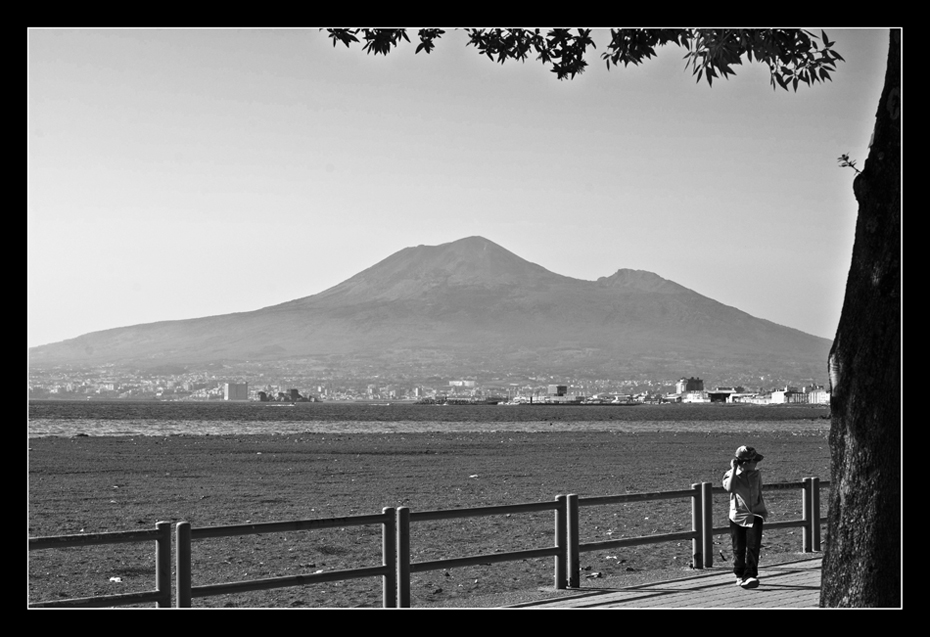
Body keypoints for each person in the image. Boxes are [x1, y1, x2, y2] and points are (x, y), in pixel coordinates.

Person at [722, 445, 768, 589]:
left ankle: (750, 575)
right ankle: (739, 575)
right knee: (739, 548)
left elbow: (759, 490)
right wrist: (734, 469)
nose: (756, 464)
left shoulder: (757, 474)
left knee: (754, 546)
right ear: (746, 462)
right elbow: (729, 488)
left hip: (756, 514)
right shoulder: (731, 474)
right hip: (738, 515)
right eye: (754, 461)